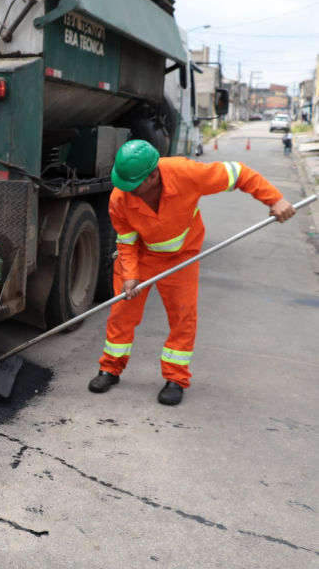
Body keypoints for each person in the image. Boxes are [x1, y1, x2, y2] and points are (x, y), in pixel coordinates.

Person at [89, 140, 295, 406]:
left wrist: (275, 199)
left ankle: (175, 378)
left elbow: (240, 172)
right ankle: (110, 369)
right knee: (121, 313)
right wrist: (130, 275)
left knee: (182, 316)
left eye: (133, 185)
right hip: (142, 257)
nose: (126, 190)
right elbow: (126, 242)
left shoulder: (187, 174)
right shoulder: (120, 196)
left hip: (182, 257)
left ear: (153, 176)